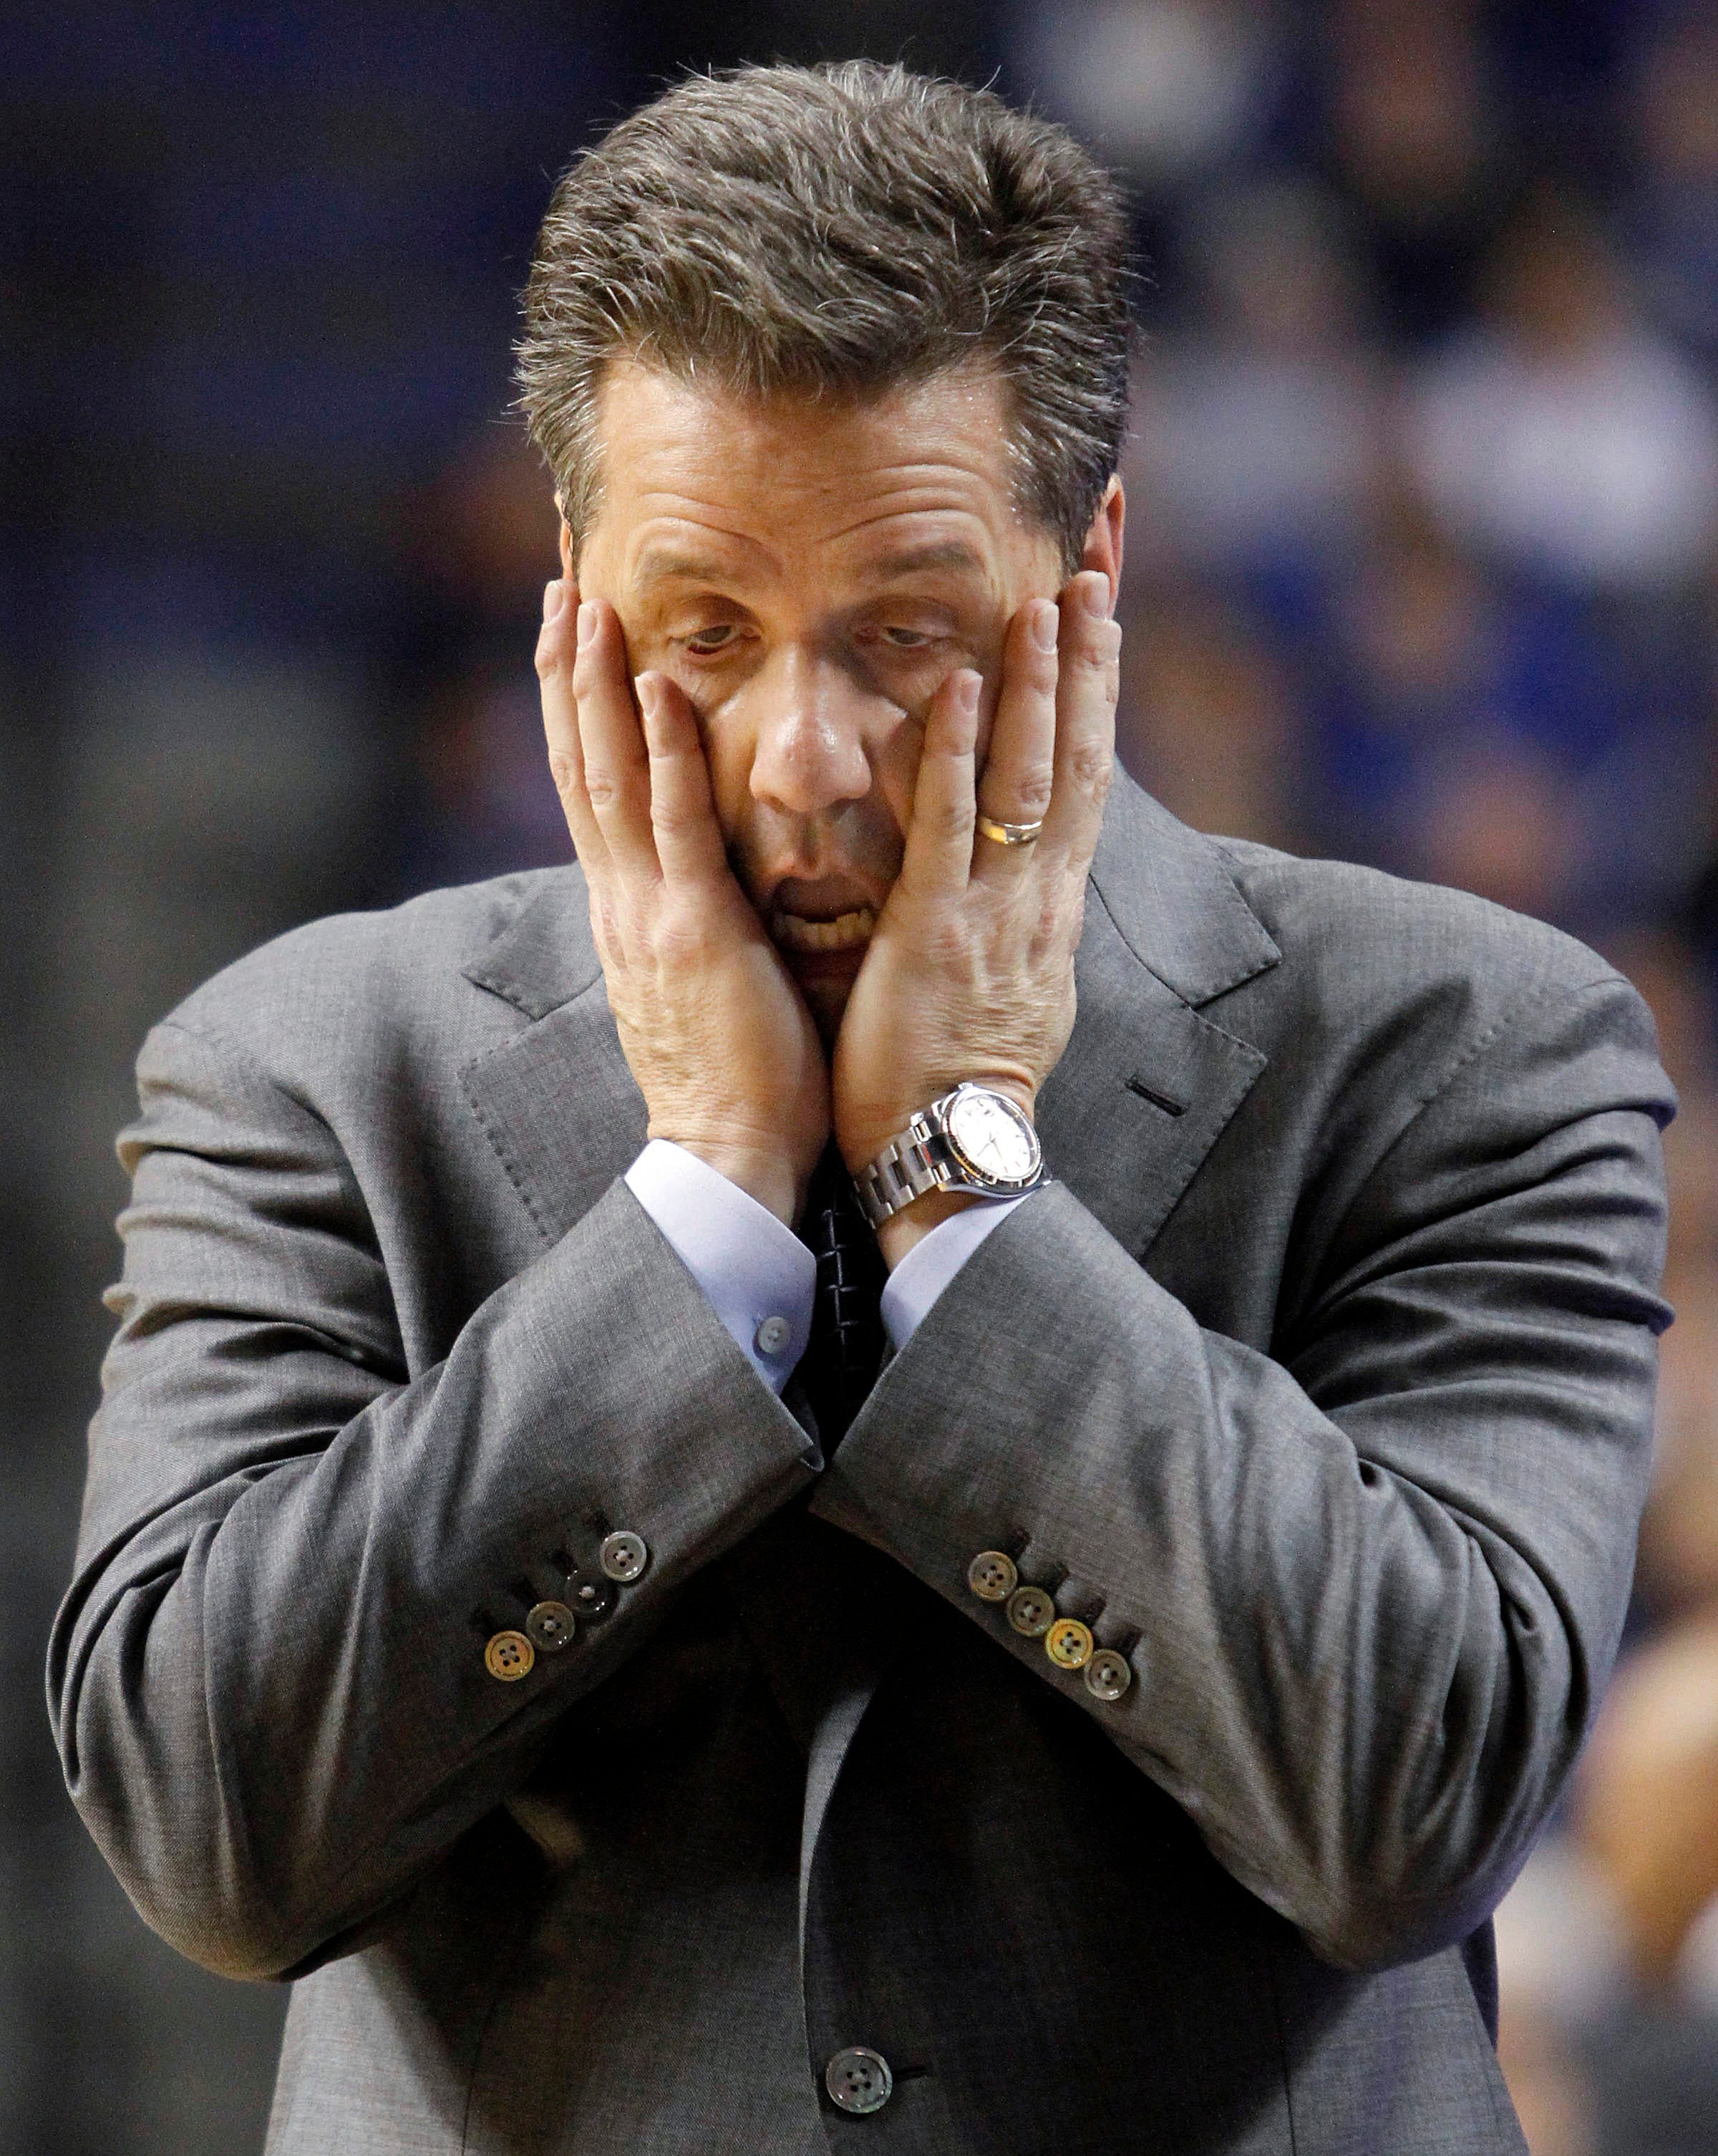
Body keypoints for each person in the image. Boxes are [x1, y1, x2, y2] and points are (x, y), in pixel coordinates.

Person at [48, 61, 1674, 2156]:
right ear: (569, 584)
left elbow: (1409, 1802)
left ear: (1089, 562)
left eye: (904, 634)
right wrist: (698, 1212)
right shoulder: (305, 1065)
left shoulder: (1476, 1042)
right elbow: (206, 1828)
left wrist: (962, 1189)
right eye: (701, 634)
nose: (799, 760)